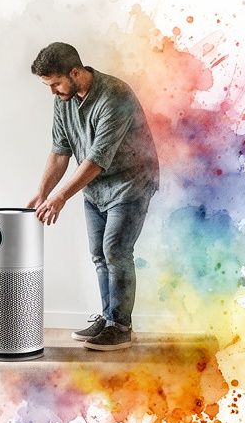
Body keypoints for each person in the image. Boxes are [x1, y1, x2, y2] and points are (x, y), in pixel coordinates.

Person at [26, 42, 159, 351]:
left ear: (75, 72)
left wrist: (60, 198)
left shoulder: (115, 95)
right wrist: (42, 192)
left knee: (115, 249)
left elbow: (97, 159)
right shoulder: (64, 101)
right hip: (95, 188)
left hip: (131, 182)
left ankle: (120, 327)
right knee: (98, 253)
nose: (53, 92)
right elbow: (60, 151)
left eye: (56, 83)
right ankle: (108, 317)